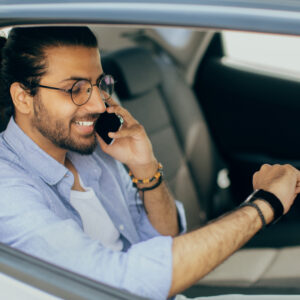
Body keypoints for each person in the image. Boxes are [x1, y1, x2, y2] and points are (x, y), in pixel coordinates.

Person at [0, 26, 299, 300]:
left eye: (98, 84)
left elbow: (165, 237)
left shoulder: (96, 153)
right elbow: (120, 283)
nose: (98, 104)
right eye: (76, 89)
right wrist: (265, 204)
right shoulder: (8, 188)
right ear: (23, 98)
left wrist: (145, 167)